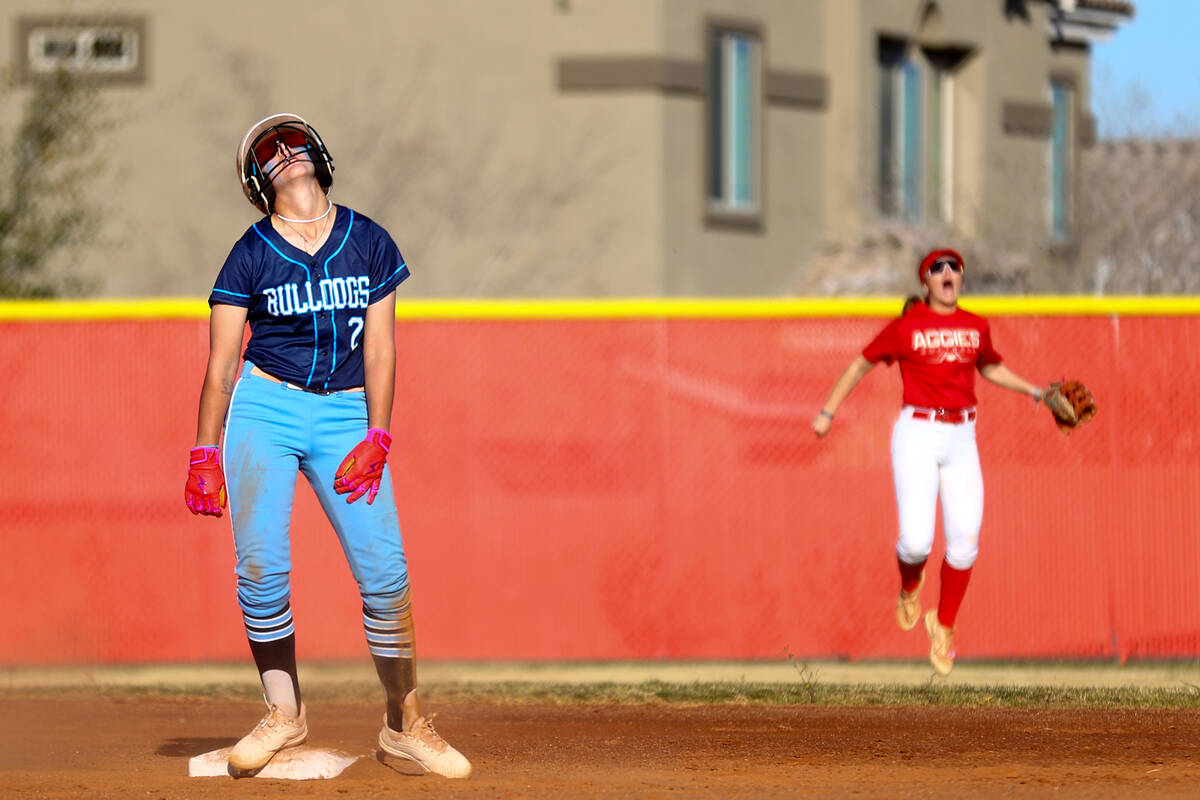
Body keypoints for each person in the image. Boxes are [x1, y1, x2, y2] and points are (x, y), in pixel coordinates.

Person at [184, 113, 471, 778]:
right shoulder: (250, 253)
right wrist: (204, 450)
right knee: (260, 568)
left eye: (293, 141)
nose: (285, 152)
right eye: (268, 150)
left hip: (344, 412)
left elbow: (381, 346)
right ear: (257, 180)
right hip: (266, 406)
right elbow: (223, 365)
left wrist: (378, 431)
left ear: (319, 153)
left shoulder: (366, 240)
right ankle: (284, 713)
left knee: (386, 575)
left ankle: (405, 723)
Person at [811, 249, 1050, 676]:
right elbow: (859, 364)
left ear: (961, 278)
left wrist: (1036, 393)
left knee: (964, 542)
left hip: (962, 436)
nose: (947, 272)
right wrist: (828, 411)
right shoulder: (907, 327)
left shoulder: (976, 326)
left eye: (953, 267)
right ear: (926, 282)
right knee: (916, 542)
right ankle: (909, 586)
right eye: (937, 268)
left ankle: (943, 625)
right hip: (917, 434)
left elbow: (990, 368)